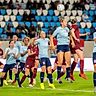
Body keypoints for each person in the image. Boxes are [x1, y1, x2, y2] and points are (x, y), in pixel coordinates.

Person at [50, 16, 71, 83]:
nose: (66, 23)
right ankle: (58, 77)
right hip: (60, 46)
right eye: (65, 22)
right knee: (60, 62)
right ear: (62, 22)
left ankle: (68, 77)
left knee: (68, 62)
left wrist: (71, 41)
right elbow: (52, 37)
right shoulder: (58, 29)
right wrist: (52, 45)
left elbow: (69, 35)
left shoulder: (67, 29)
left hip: (66, 45)